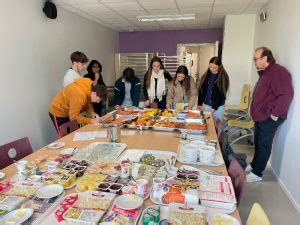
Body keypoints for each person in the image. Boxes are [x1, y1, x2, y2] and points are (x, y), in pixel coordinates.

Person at [245, 47, 294, 183]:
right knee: (258, 143)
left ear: (265, 58)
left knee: (264, 144)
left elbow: (286, 94)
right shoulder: (265, 73)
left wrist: (275, 114)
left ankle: (257, 173)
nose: (254, 61)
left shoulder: (278, 72)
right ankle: (255, 165)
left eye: (256, 59)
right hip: (261, 116)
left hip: (269, 117)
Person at [198, 57, 229, 126]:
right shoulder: (205, 76)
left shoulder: (223, 77)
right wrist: (199, 103)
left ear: (219, 66)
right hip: (207, 105)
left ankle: (217, 137)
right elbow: (201, 90)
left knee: (217, 127)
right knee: (207, 126)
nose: (212, 69)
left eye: (215, 67)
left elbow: (222, 95)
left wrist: (214, 108)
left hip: (218, 107)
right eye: (210, 67)